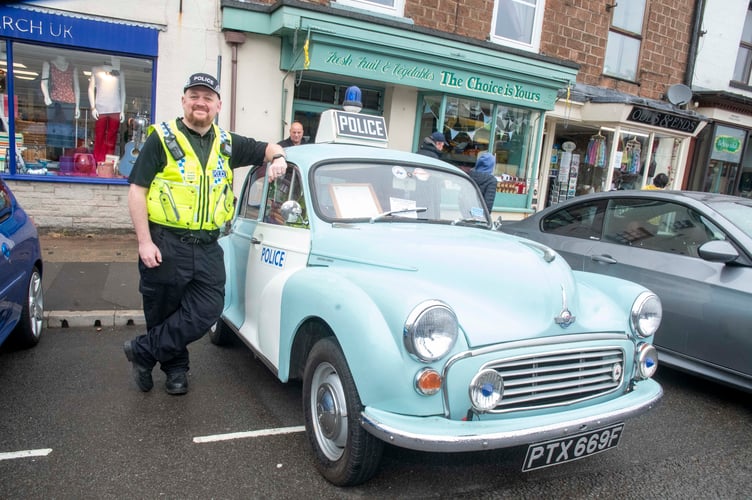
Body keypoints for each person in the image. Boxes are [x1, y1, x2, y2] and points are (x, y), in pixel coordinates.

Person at [123, 72, 288, 395]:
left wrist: (280, 156)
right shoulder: (163, 137)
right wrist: (144, 242)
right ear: (184, 100)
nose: (201, 102)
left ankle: (142, 351)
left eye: (208, 98)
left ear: (218, 105)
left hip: (209, 245)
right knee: (164, 311)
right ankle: (176, 372)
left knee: (208, 309)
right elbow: (136, 191)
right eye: (195, 96)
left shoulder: (227, 143)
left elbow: (268, 147)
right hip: (166, 242)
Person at [88, 56, 126, 162]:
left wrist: (122, 110)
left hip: (116, 108)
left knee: (111, 138)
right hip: (100, 108)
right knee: (99, 136)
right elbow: (91, 89)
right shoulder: (96, 70)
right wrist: (93, 108)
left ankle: (108, 162)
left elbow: (123, 91)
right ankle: (97, 161)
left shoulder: (120, 72)